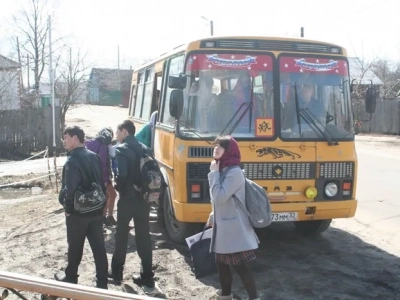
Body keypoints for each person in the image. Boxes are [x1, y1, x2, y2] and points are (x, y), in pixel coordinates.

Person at [109, 120, 162, 296]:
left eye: (118, 131)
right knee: (144, 237)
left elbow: (122, 175)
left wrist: (118, 188)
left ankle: (116, 273)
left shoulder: (122, 149)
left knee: (121, 235)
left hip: (127, 198)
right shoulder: (144, 148)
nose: (116, 135)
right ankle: (147, 276)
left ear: (124, 131)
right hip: (143, 199)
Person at [207, 136, 259, 300]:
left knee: (240, 266)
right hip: (224, 225)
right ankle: (226, 295)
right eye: (216, 145)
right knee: (221, 264)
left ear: (229, 151)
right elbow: (220, 200)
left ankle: (253, 297)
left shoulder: (234, 172)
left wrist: (213, 174)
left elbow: (220, 196)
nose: (216, 148)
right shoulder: (222, 168)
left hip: (233, 228)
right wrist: (213, 214)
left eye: (220, 147)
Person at [56, 126, 108, 289]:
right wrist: (103, 205)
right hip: (96, 209)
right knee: (99, 247)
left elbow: (70, 188)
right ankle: (102, 283)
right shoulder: (94, 157)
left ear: (76, 138)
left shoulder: (72, 160)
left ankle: (71, 278)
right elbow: (101, 182)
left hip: (78, 213)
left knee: (75, 247)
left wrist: (68, 208)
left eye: (66, 137)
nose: (64, 141)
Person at [85, 128, 117, 226]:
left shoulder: (88, 143)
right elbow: (103, 164)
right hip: (101, 177)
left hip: (88, 176)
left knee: (101, 197)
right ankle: (106, 217)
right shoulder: (103, 146)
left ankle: (103, 218)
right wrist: (106, 180)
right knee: (112, 195)